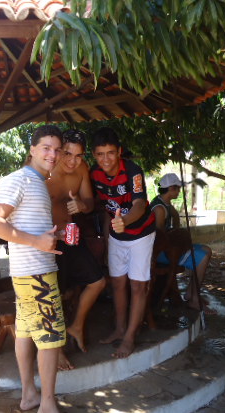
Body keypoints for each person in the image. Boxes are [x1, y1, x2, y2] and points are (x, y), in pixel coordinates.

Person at [0, 124, 80, 413]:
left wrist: (52, 236)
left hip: (30, 272)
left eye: (57, 149)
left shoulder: (37, 181)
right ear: (32, 150)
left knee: (25, 332)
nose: (52, 154)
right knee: (51, 338)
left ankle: (29, 394)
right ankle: (47, 407)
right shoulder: (21, 179)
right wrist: (37, 242)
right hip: (35, 273)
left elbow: (25, 226)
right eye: (46, 148)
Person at [90, 127, 156, 358]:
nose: (106, 159)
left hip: (141, 233)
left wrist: (124, 221)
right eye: (100, 154)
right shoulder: (93, 173)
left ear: (119, 151)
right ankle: (119, 329)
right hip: (116, 234)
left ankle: (129, 337)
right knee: (117, 283)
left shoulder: (133, 171)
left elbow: (139, 205)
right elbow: (97, 204)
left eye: (110, 153)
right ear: (94, 155)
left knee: (138, 285)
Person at [46, 129, 106, 366]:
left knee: (98, 281)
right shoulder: (44, 169)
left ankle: (77, 326)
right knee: (55, 295)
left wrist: (81, 204)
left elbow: (89, 203)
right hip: (48, 240)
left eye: (78, 156)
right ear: (59, 151)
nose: (72, 161)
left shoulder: (81, 170)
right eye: (67, 154)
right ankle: (57, 348)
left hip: (71, 235)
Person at [150, 173, 212, 312]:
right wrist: (178, 240)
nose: (179, 191)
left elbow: (175, 222)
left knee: (207, 250)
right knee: (202, 257)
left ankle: (191, 293)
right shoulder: (159, 209)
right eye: (178, 188)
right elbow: (159, 240)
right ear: (171, 188)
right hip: (161, 253)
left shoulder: (166, 204)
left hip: (171, 248)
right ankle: (194, 300)